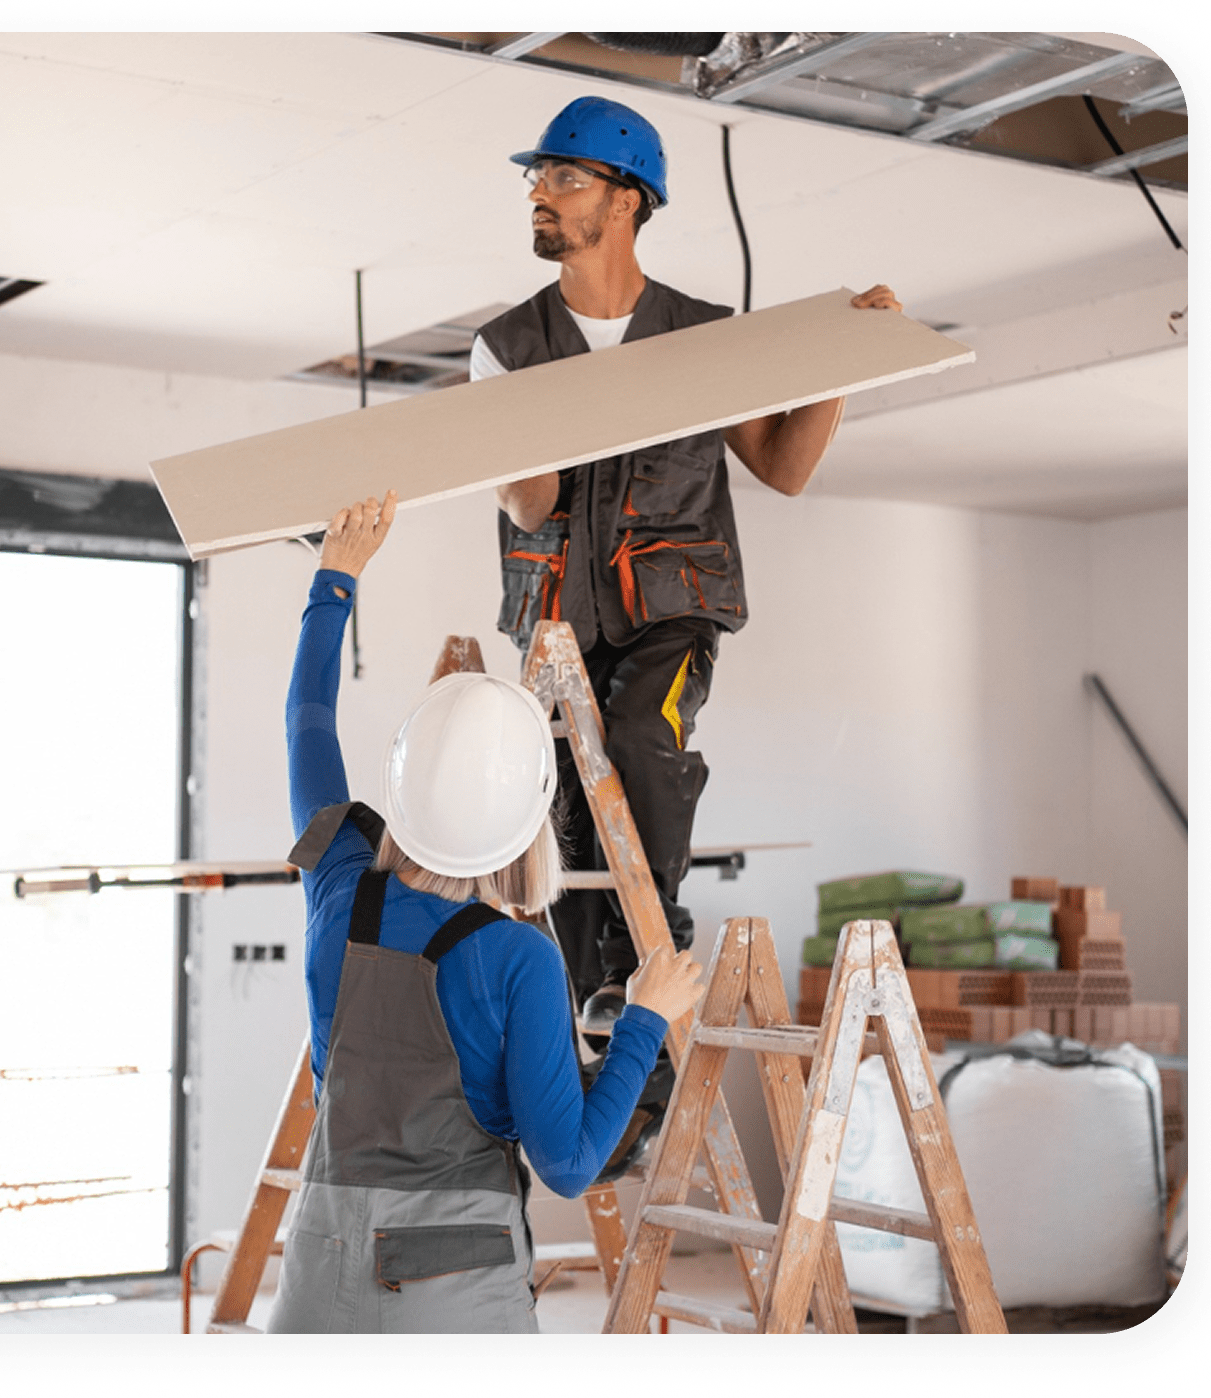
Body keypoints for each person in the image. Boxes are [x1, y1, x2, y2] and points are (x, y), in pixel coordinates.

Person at [470, 96, 903, 1036]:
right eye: (535, 180)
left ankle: (651, 944)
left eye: (562, 178)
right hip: (555, 625)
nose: (539, 196)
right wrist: (527, 424)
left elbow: (783, 468)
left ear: (626, 201)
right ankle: (599, 1028)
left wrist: (842, 361)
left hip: (673, 607)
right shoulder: (504, 349)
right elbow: (532, 504)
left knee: (637, 735)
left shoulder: (706, 339)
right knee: (568, 802)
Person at [265, 491, 705, 1335]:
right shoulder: (516, 958)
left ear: (404, 785)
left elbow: (305, 722)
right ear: (528, 823)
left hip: (318, 1279)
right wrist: (645, 1018)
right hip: (453, 1297)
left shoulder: (339, 885)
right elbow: (570, 1164)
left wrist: (336, 579)